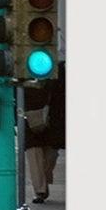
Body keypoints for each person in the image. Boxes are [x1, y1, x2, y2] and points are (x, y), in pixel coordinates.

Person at [25, 75, 66, 203]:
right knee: (33, 152)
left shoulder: (60, 70)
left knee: (51, 154)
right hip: (29, 113)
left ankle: (43, 180)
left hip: (53, 114)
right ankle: (40, 189)